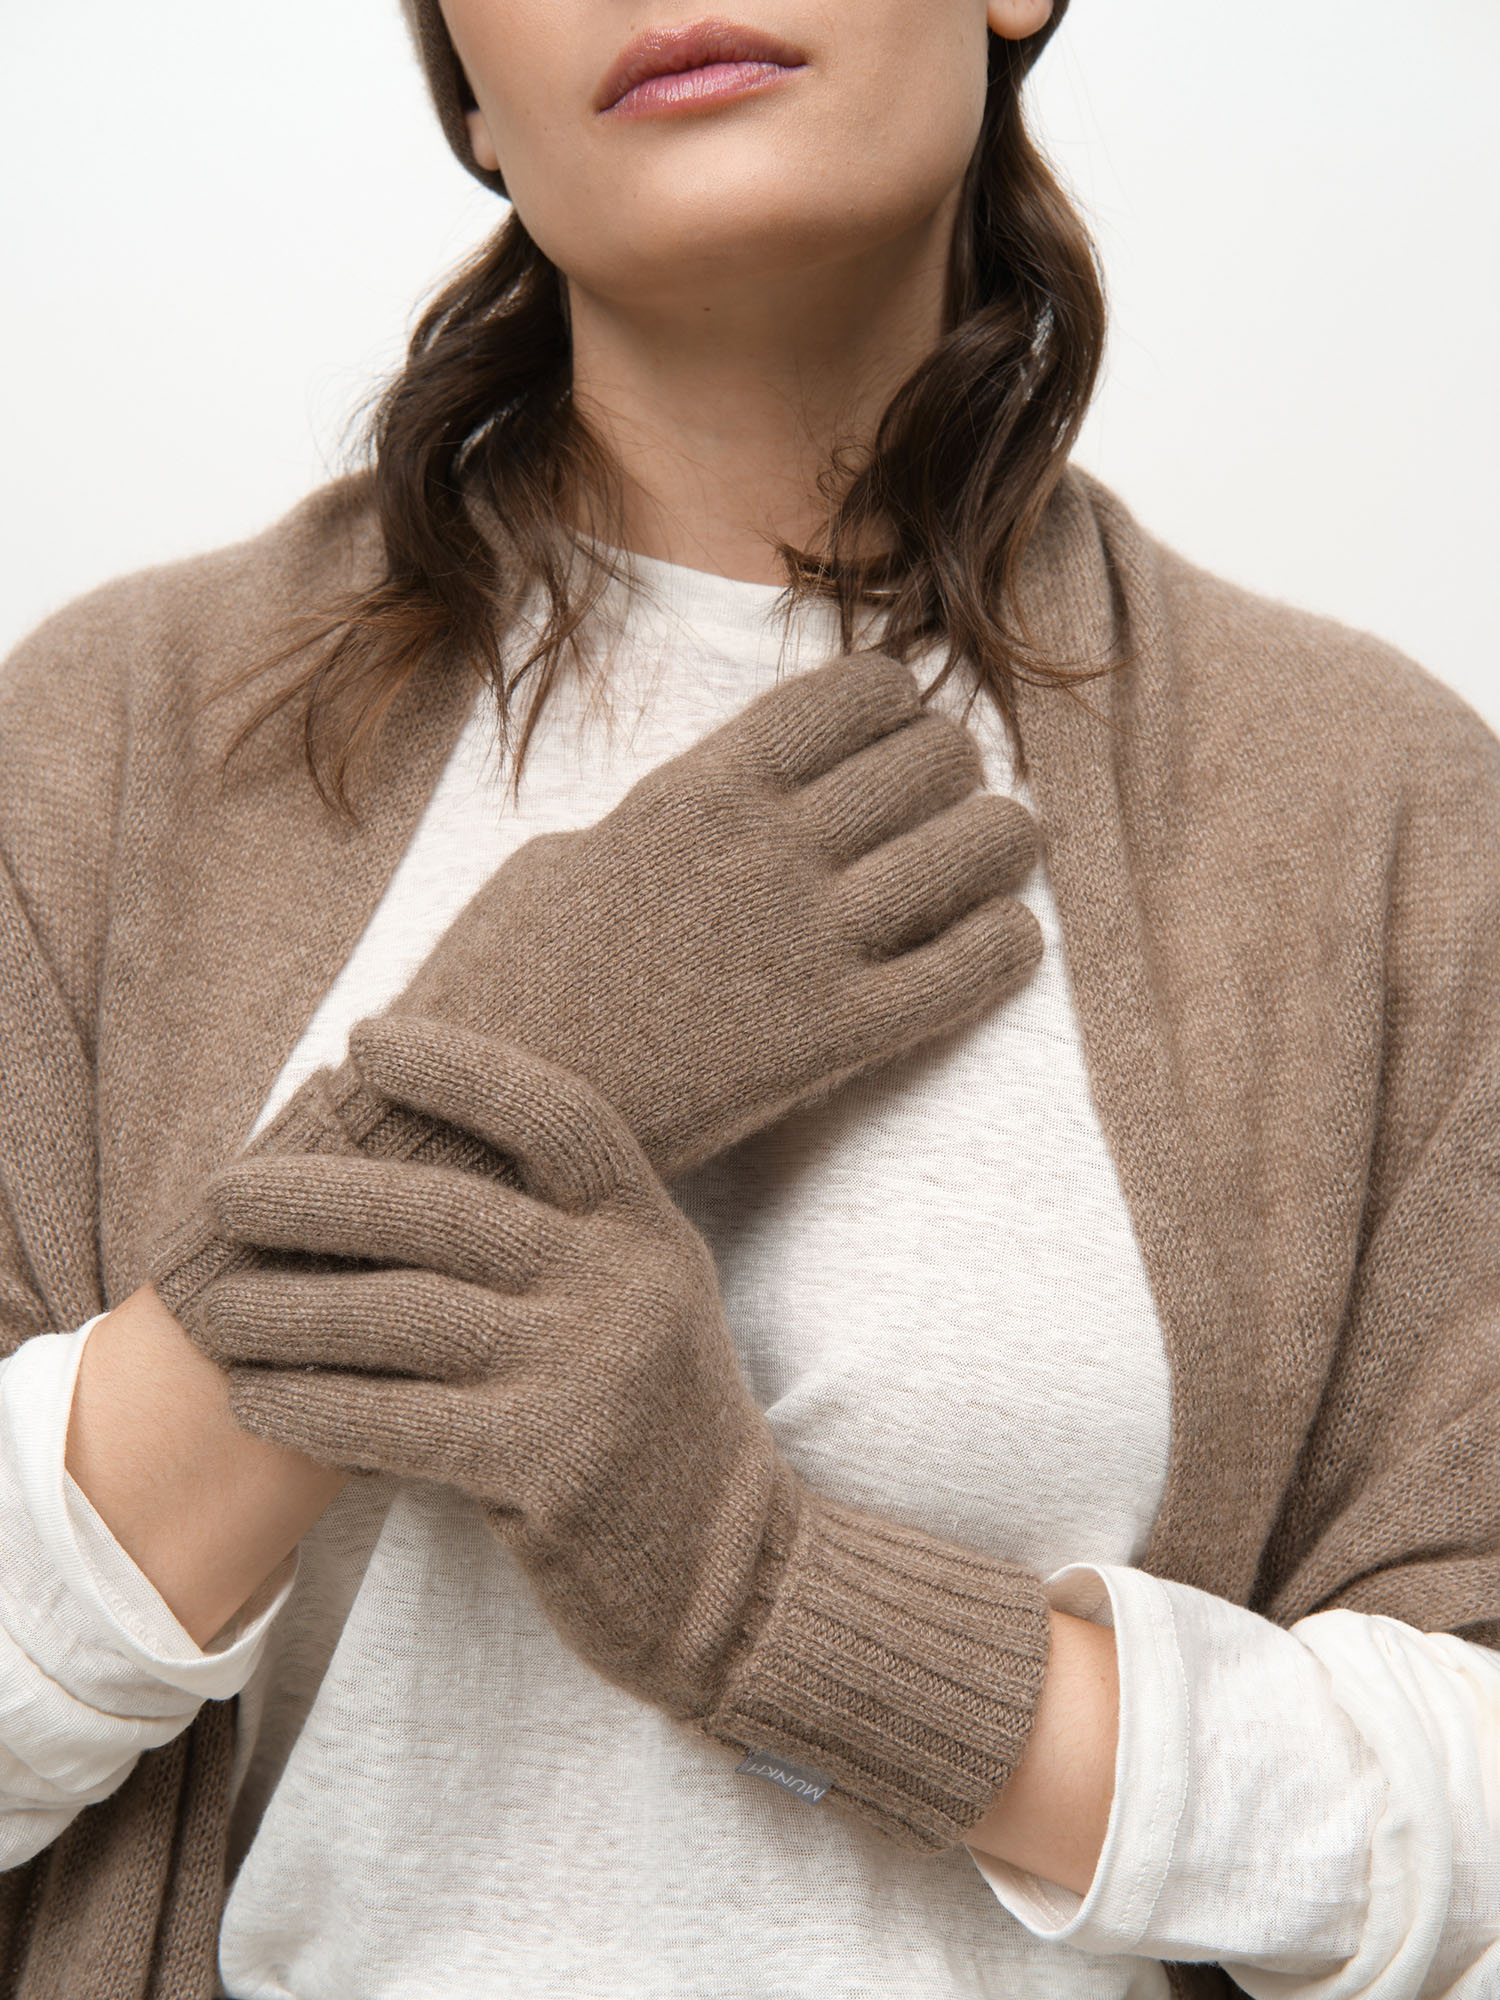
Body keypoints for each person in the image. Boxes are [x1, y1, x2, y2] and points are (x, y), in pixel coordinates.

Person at [0, 1, 1495, 1994]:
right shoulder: (110, 751)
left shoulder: (1375, 816)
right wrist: (494, 1078)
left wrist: (760, 1591)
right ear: (465, 83)